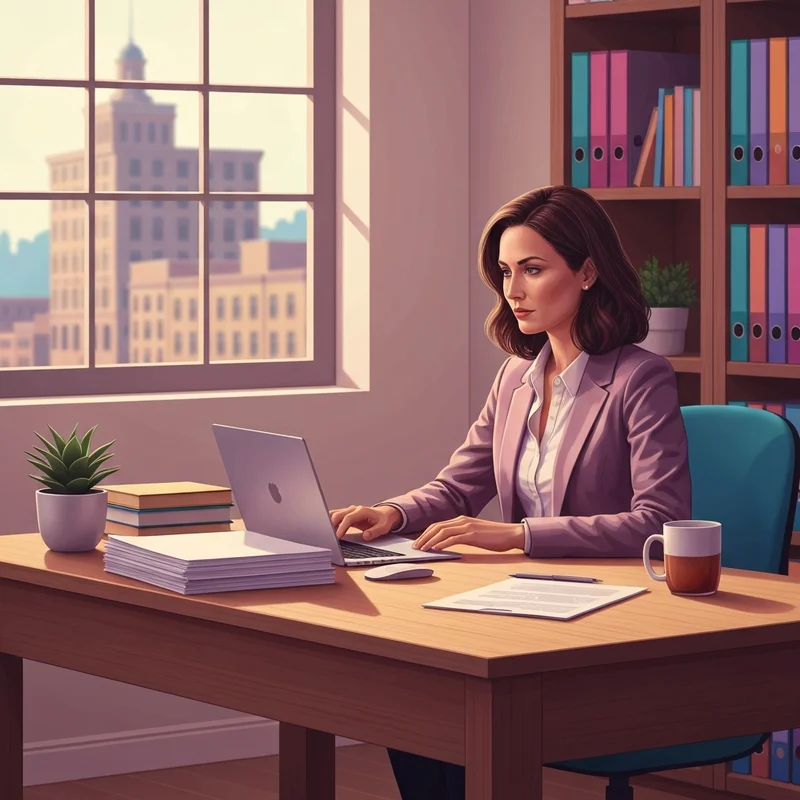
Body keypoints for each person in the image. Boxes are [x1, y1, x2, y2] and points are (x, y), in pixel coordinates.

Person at [329, 184, 692, 800]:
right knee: (407, 686)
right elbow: (460, 484)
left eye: (533, 269)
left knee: (443, 688)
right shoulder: (517, 378)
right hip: (528, 602)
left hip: (611, 615)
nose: (513, 290)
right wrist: (391, 513)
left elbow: (659, 522)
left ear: (587, 270)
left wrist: (519, 535)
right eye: (504, 272)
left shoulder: (640, 377)